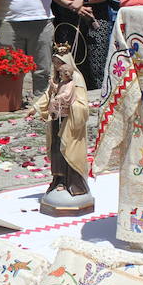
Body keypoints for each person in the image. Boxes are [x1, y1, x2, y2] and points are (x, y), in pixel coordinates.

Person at [30, 44, 90, 199]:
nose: (57, 66)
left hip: (70, 121)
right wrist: (36, 107)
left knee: (68, 150)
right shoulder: (57, 78)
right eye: (55, 63)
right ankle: (58, 180)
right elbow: (47, 95)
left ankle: (73, 183)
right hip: (56, 118)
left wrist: (69, 105)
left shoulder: (75, 78)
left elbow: (82, 102)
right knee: (56, 150)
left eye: (60, 63)